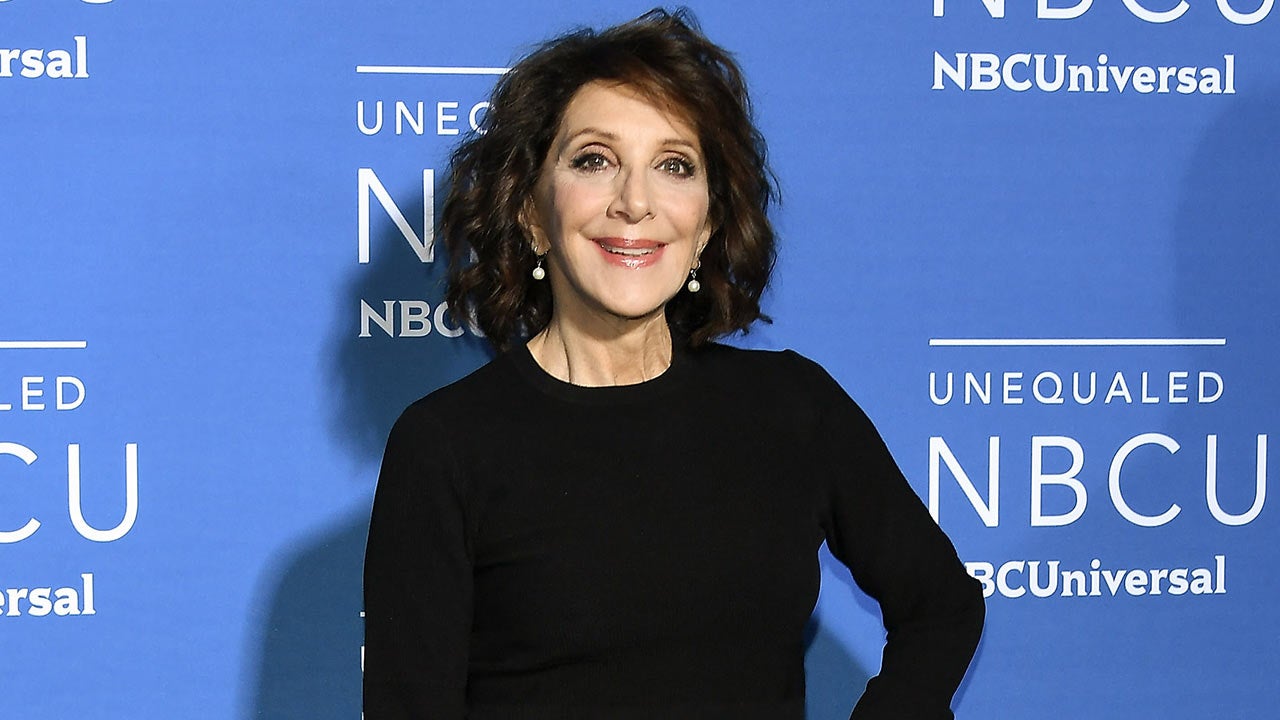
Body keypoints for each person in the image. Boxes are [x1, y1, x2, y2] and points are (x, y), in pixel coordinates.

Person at [363, 9, 984, 719]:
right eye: (594, 160)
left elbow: (943, 605)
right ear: (532, 212)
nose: (635, 203)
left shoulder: (792, 409)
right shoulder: (447, 445)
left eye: (674, 165)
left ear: (708, 221)